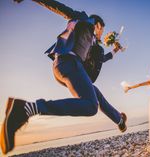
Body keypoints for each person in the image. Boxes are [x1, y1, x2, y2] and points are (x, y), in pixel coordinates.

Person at [1, 1, 127, 155]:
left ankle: (119, 120)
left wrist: (115, 51)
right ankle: (27, 108)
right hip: (68, 62)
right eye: (102, 30)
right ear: (99, 25)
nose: (101, 34)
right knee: (90, 106)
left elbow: (102, 59)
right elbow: (58, 7)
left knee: (95, 94)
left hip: (67, 68)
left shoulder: (92, 44)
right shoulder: (83, 19)